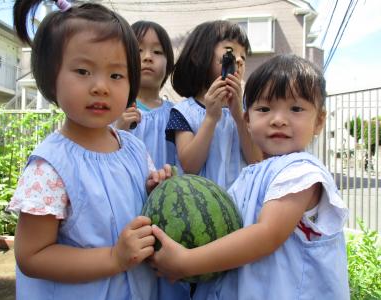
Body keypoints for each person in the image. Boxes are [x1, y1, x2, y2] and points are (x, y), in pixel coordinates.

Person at [8, 1, 174, 299]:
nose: (101, 87)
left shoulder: (135, 149)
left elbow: (136, 206)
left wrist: (155, 189)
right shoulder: (51, 166)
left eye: (116, 75)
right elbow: (31, 256)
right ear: (50, 77)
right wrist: (113, 258)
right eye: (83, 71)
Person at [150, 54, 350, 300]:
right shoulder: (249, 176)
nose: (278, 120)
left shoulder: (301, 171)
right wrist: (166, 190)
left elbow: (267, 235)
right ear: (247, 119)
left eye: (296, 108)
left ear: (319, 121)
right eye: (264, 109)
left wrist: (187, 262)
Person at [165, 20, 262, 190]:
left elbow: (257, 160)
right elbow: (189, 166)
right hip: (201, 205)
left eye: (243, 57)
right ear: (197, 55)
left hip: (241, 204)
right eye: (230, 51)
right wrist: (210, 118)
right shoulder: (184, 111)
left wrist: (240, 118)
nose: (239, 60)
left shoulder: (249, 110)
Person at [116, 20, 176, 170]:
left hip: (169, 191)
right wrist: (120, 131)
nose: (148, 57)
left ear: (168, 66)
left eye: (157, 52)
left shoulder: (177, 115)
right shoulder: (115, 111)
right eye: (138, 50)